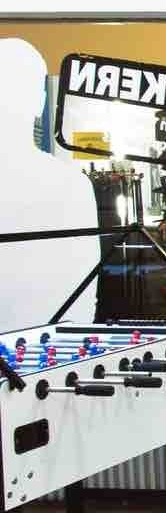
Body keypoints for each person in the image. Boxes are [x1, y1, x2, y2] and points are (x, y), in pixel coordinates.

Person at [0, 39, 100, 332]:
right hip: (52, 347)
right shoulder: (74, 185)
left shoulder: (73, 185)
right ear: (41, 102)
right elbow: (85, 296)